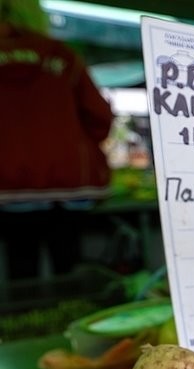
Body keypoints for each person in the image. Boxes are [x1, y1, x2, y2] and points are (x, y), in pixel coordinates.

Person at [0, 0, 114, 280]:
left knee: (20, 269)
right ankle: (69, 317)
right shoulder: (63, 56)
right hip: (68, 186)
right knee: (69, 265)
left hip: (8, 186)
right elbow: (100, 119)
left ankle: (29, 321)